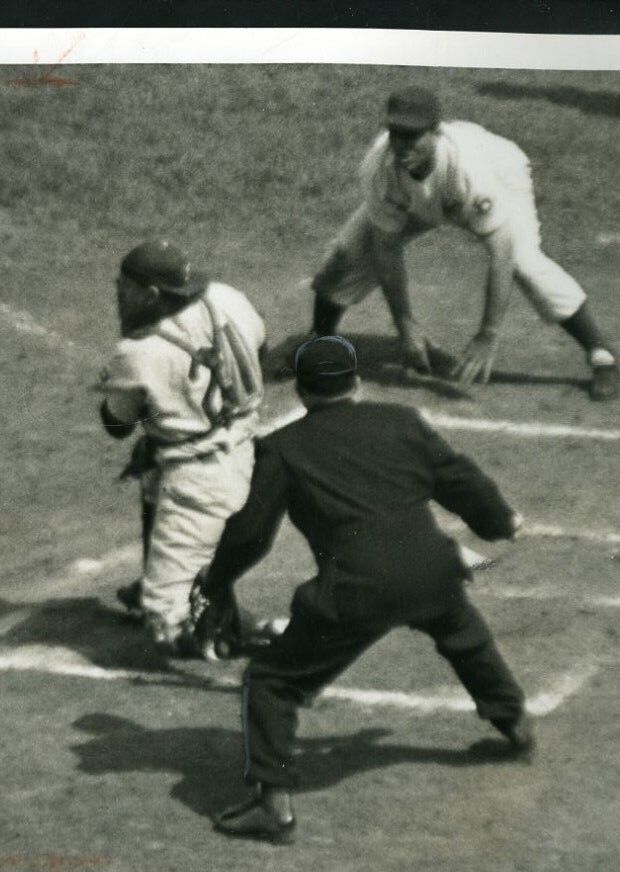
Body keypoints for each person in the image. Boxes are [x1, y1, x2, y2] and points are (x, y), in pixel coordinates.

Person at [192, 336, 534, 844]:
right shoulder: (403, 422)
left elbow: (250, 533)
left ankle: (273, 805)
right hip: (431, 567)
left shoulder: (283, 449)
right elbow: (460, 480)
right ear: (356, 382)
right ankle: (514, 724)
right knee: (461, 631)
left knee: (272, 680)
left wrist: (216, 581)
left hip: (356, 587)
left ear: (302, 392)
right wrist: (499, 520)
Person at [306, 87, 620, 402]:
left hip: (499, 175)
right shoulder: (379, 167)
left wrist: (488, 335)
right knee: (349, 251)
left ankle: (601, 353)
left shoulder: (468, 168)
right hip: (421, 197)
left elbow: (501, 254)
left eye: (413, 135)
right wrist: (405, 324)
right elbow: (385, 248)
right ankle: (319, 343)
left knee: (523, 261)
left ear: (436, 132)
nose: (402, 145)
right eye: (396, 134)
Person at [94, 240, 268, 653]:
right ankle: (174, 585)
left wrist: (122, 388)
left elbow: (116, 424)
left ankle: (234, 629)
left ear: (152, 294)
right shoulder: (228, 298)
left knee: (165, 626)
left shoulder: (137, 352)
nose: (118, 293)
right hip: (245, 446)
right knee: (152, 466)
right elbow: (262, 349)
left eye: (125, 287)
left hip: (200, 480)